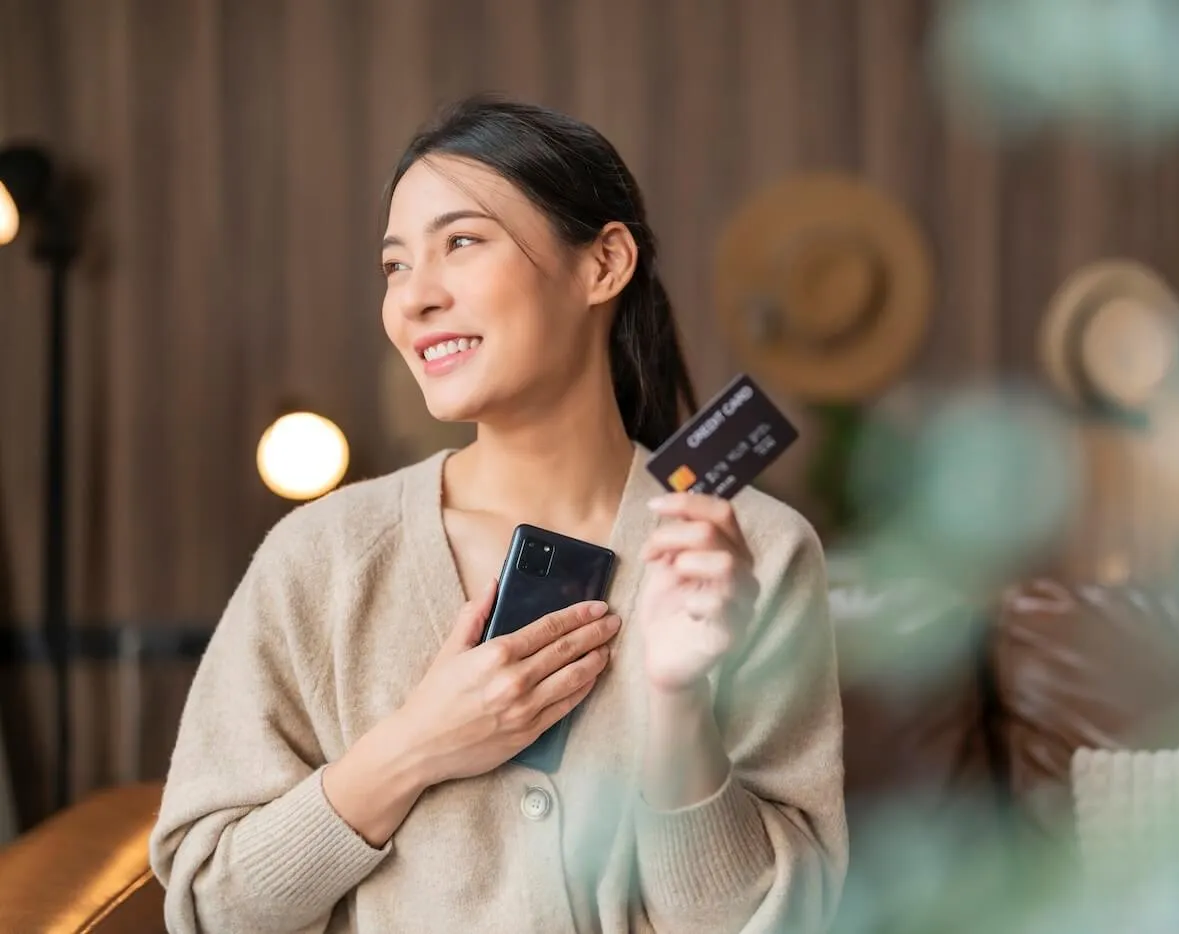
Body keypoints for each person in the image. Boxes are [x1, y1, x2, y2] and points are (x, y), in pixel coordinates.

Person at [149, 95, 847, 934]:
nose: (414, 298)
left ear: (605, 264)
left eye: (462, 242)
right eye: (395, 266)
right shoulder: (321, 558)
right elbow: (212, 909)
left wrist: (679, 707)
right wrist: (416, 744)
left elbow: (772, 920)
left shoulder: (754, 556)